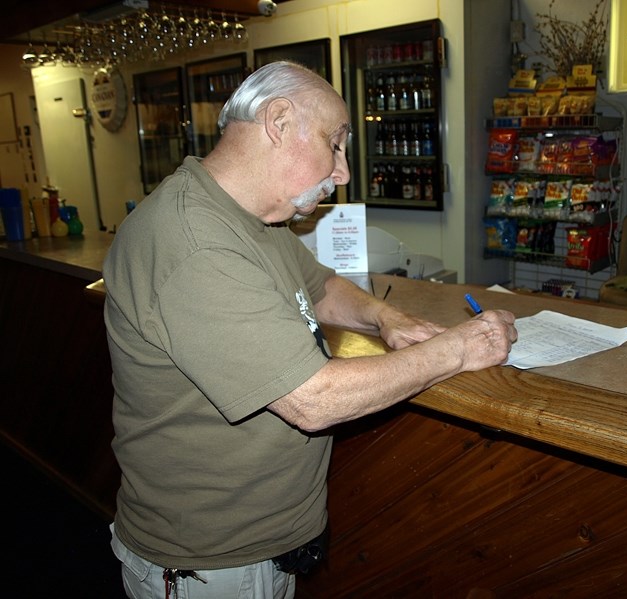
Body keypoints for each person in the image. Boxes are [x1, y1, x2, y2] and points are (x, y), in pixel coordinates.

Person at [103, 61, 517, 599]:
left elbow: (319, 285)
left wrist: (385, 317)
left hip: (257, 544)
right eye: (336, 143)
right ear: (278, 121)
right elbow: (312, 400)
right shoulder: (195, 240)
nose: (343, 171)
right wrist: (459, 348)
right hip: (209, 559)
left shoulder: (250, 215)